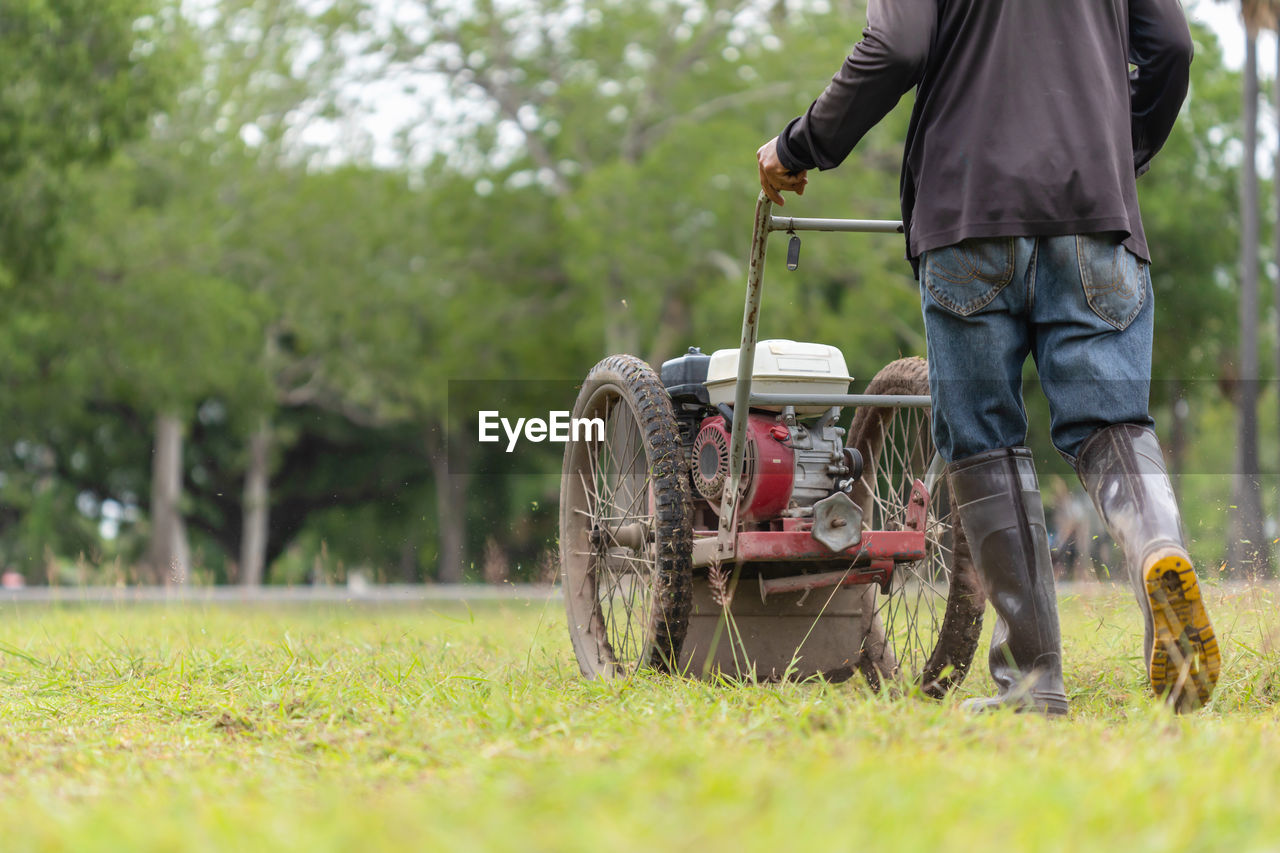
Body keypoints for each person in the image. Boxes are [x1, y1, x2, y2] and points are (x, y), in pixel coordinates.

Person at [757, 0, 1219, 714]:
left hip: (967, 213)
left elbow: (898, 45)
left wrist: (800, 144)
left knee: (985, 442)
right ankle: (1160, 549)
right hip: (1095, 215)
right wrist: (1114, 158)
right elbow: (1175, 48)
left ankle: (1033, 683)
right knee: (1112, 424)